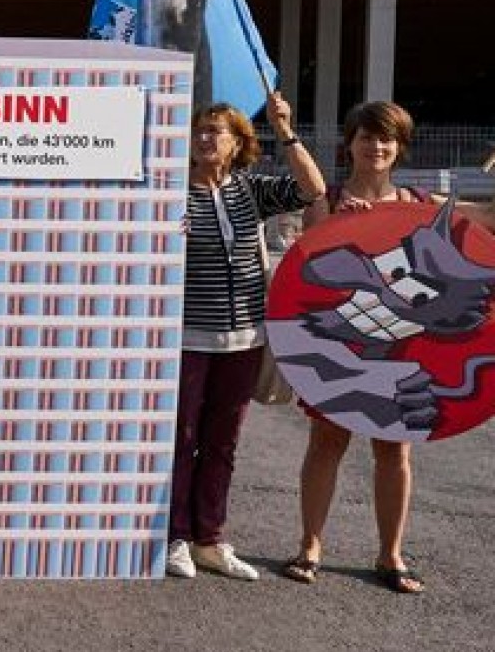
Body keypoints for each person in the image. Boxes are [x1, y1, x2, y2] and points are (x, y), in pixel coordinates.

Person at [168, 89, 324, 581]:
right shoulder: (171, 191)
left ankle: (209, 539)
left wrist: (286, 130)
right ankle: (173, 536)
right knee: (181, 439)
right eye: (199, 130)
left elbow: (312, 188)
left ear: (238, 143)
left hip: (243, 339)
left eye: (215, 130)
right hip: (186, 338)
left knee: (223, 442)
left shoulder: (248, 189)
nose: (203, 137)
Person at [282, 100, 435, 594]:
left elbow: (477, 228)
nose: (377, 146)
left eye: (387, 138)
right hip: (339, 343)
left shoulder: (417, 203)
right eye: (367, 137)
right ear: (350, 144)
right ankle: (310, 545)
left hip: (403, 345)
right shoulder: (326, 199)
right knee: (327, 443)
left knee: (394, 450)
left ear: (400, 148)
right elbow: (306, 264)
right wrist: (338, 226)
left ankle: (391, 555)